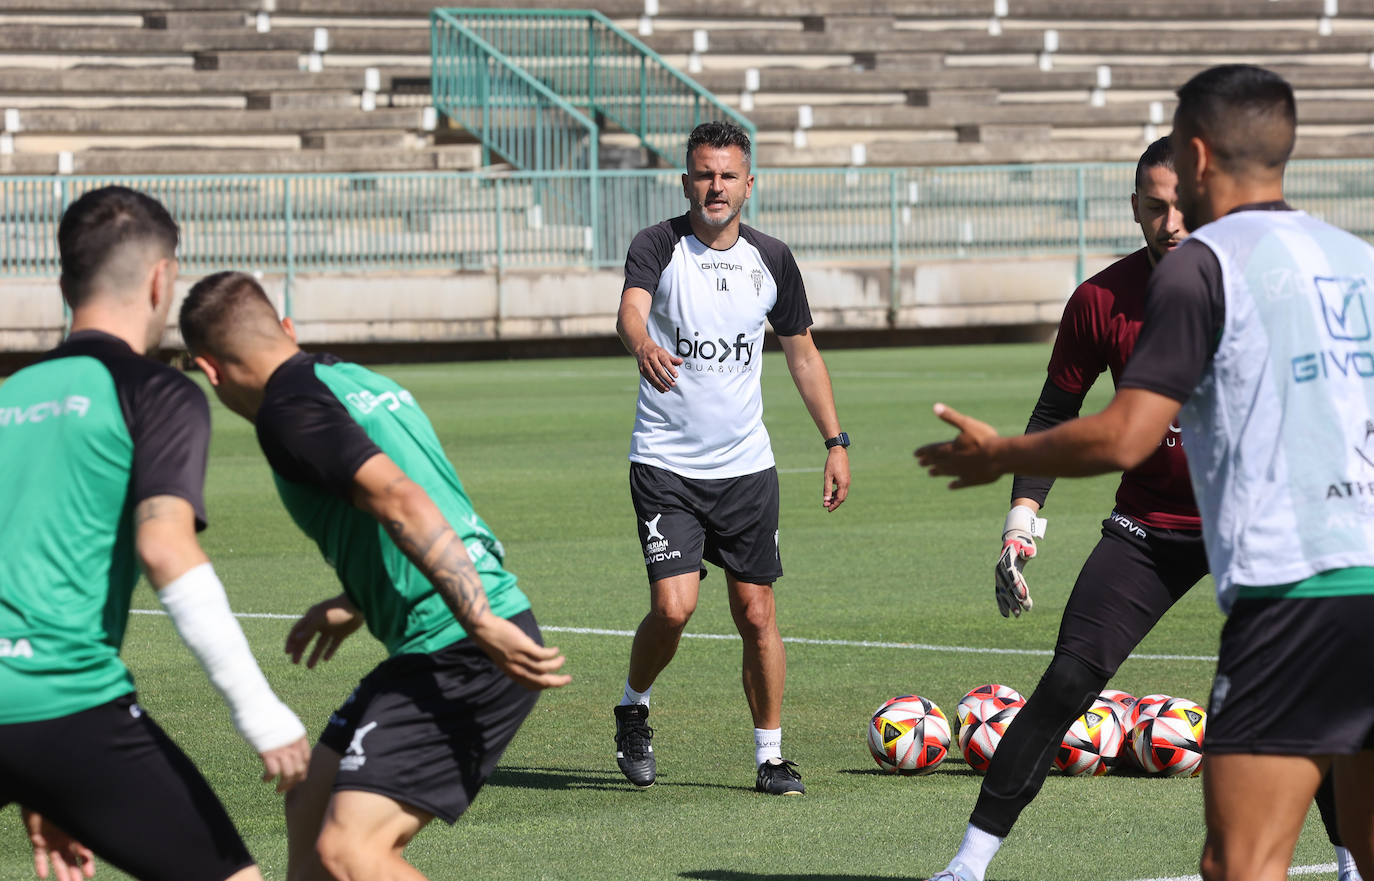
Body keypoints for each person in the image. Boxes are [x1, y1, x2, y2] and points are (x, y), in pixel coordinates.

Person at [916, 64, 1374, 881]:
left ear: (1199, 158)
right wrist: (1025, 520)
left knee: (1238, 859)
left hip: (1281, 574)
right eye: (1150, 205)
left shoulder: (1210, 267)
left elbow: (1125, 434)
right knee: (1072, 679)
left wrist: (1003, 460)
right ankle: (968, 862)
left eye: (1177, 193)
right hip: (1300, 558)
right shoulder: (1349, 259)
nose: (1169, 219)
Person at [177, 271, 571, 881]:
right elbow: (413, 502)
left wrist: (481, 621)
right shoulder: (351, 378)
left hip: (461, 641)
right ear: (287, 328)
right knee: (310, 800)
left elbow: (404, 501)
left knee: (351, 852)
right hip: (442, 635)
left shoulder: (288, 411)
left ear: (210, 370)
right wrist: (357, 599)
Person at [0, 186, 311, 881]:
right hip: (66, 703)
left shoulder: (6, 394)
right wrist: (261, 712)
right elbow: (165, 546)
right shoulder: (156, 392)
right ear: (161, 278)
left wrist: (37, 779)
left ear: (62, 284)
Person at [613, 119, 851, 795]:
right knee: (675, 607)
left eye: (728, 175)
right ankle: (634, 704)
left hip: (746, 467)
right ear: (686, 179)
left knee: (756, 612)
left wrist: (835, 442)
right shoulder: (658, 245)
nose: (715, 186)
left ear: (750, 183)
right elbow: (631, 310)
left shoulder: (772, 259)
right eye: (704, 174)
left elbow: (802, 354)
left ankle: (770, 757)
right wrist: (641, 343)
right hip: (665, 464)